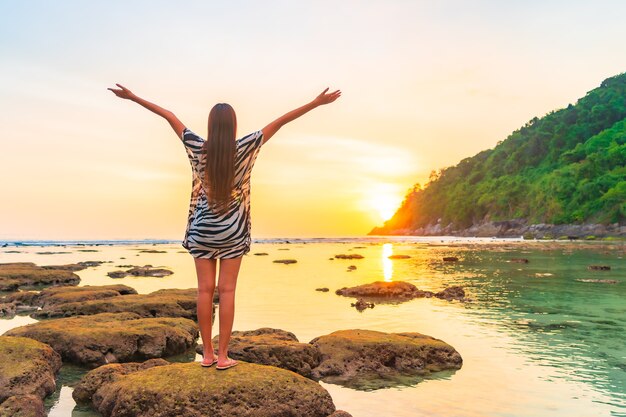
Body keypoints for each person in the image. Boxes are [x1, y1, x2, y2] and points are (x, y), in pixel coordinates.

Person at [107, 83, 341, 370]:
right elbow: (281, 120)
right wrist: (316, 102)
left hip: (202, 228)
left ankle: (206, 355)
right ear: (233, 126)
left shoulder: (196, 145)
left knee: (204, 291)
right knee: (227, 291)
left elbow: (168, 115)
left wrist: (132, 97)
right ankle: (223, 357)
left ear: (210, 125)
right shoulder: (245, 146)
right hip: (233, 229)